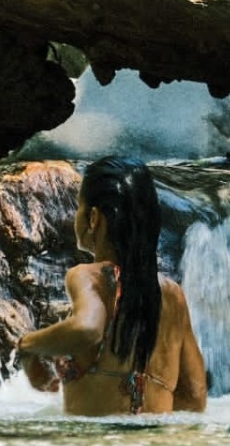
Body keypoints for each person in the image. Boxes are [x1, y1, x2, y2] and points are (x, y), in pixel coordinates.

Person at [17, 156, 207, 415]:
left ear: (93, 218)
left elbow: (87, 329)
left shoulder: (87, 276)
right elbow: (195, 397)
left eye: (79, 208)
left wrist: (28, 344)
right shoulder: (172, 295)